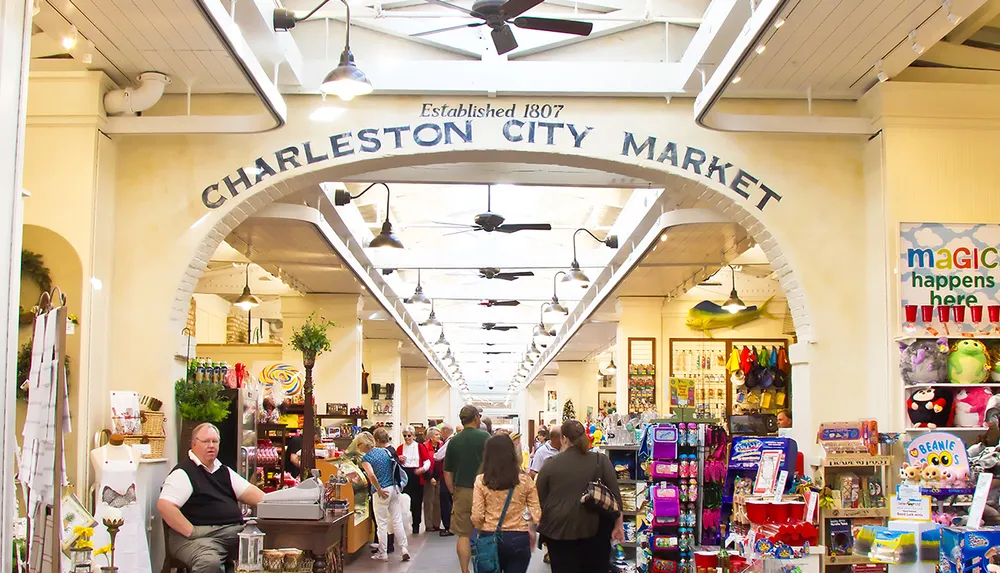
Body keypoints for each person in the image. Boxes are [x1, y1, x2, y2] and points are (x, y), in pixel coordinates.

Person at [158, 423, 265, 573]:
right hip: (197, 538)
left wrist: (277, 503)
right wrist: (192, 532)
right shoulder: (183, 473)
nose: (211, 446)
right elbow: (165, 506)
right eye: (206, 441)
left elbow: (254, 494)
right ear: (194, 443)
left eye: (215, 442)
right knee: (208, 563)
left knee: (267, 546)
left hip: (231, 533)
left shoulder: (223, 470)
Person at [536, 420, 624, 573]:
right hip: (595, 530)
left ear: (564, 438)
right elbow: (615, 497)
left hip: (558, 532)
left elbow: (539, 499)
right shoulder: (600, 460)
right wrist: (618, 525)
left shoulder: (550, 464)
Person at [471, 434, 542, 573]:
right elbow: (536, 513)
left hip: (489, 535)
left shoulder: (481, 481)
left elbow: (477, 515)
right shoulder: (525, 480)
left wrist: (483, 528)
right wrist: (526, 523)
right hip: (519, 537)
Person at [445, 405, 491, 573]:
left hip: (462, 490)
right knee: (487, 532)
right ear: (476, 418)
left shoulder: (454, 441)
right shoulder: (485, 437)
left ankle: (465, 570)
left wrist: (453, 492)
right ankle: (486, 568)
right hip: (485, 490)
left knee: (463, 535)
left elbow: (447, 472)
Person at [359, 429, 410, 562]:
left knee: (382, 523)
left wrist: (378, 489)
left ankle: (383, 552)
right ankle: (404, 548)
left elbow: (371, 475)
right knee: (396, 520)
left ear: (363, 445)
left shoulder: (366, 458)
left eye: (359, 444)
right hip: (394, 489)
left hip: (382, 492)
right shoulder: (385, 451)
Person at [397, 425, 432, 534]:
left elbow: (427, 461)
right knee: (403, 501)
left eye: (409, 435)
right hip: (404, 475)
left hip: (417, 475)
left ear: (413, 435)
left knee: (417, 502)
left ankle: (416, 524)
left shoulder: (420, 447)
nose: (407, 438)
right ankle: (403, 524)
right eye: (405, 436)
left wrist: (422, 469)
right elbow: (395, 463)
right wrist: (398, 459)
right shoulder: (400, 448)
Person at [434, 424, 455, 537]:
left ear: (446, 431)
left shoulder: (449, 442)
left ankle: (449, 526)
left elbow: (438, 456)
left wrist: (433, 455)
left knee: (445, 501)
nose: (440, 435)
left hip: (447, 476)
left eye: (441, 432)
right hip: (452, 476)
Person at [424, 427, 443, 532]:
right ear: (430, 437)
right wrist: (430, 477)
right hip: (429, 477)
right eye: (436, 434)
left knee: (437, 502)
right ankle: (429, 524)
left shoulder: (441, 446)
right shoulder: (424, 447)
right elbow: (423, 462)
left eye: (439, 434)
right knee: (429, 501)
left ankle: (437, 524)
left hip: (439, 476)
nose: (438, 436)